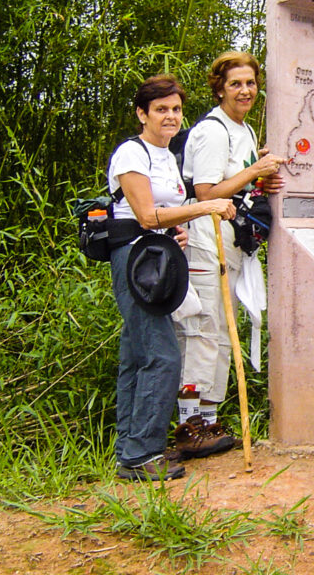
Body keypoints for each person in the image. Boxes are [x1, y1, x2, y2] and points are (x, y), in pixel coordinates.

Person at [107, 74, 236, 481]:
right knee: (162, 355)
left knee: (136, 354)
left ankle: (130, 447)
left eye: (176, 109)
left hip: (157, 258)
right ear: (141, 113)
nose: (170, 116)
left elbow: (161, 216)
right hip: (134, 259)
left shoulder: (167, 155)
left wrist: (175, 228)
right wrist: (203, 207)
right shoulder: (132, 153)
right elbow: (145, 215)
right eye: (161, 109)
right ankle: (141, 455)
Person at [177, 51, 285, 458]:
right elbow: (204, 192)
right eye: (236, 83)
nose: (245, 90)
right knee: (204, 330)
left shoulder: (241, 130)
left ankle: (208, 419)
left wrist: (257, 181)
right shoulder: (213, 130)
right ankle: (188, 424)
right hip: (207, 237)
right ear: (220, 87)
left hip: (230, 238)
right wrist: (253, 174)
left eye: (251, 83)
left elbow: (235, 184)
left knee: (223, 332)